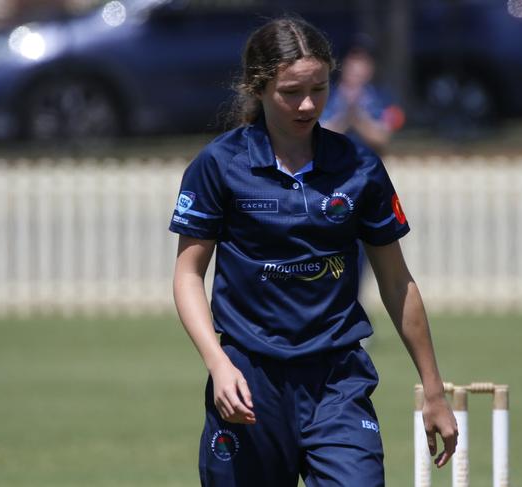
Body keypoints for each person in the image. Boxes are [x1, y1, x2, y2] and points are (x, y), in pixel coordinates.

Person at [170, 17, 457, 487]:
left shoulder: (359, 166)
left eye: (319, 89)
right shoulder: (218, 165)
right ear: (258, 88)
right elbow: (187, 276)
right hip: (249, 381)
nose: (307, 104)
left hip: (337, 381)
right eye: (290, 92)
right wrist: (217, 364)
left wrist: (433, 389)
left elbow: (397, 281)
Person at [321, 41, 405, 155]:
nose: (356, 69)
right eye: (352, 63)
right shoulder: (325, 95)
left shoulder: (384, 99)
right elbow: (319, 138)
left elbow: (382, 139)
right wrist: (344, 118)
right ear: (341, 65)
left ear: (371, 69)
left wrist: (358, 118)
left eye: (363, 63)